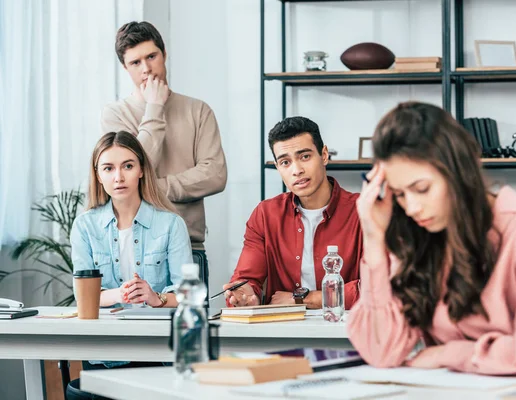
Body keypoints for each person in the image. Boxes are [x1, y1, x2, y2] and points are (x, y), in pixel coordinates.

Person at [349, 102, 516, 378]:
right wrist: (373, 238)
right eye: (400, 194)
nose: (412, 207)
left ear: (457, 172)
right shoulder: (416, 234)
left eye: (422, 188)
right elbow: (381, 352)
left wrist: (446, 354)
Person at [100, 21, 226, 290]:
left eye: (151, 57)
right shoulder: (115, 114)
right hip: (130, 245)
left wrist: (155, 187)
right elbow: (128, 169)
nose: (146, 68)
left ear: (164, 54)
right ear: (125, 67)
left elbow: (215, 174)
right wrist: (154, 108)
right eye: (135, 63)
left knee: (191, 330)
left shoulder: (198, 110)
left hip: (189, 247)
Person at [71, 131, 193, 370]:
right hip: (106, 349)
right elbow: (84, 298)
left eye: (127, 166)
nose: (118, 177)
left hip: (160, 349)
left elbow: (189, 297)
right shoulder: (84, 226)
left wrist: (154, 298)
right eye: (108, 168)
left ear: (141, 170)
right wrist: (121, 294)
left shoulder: (171, 225)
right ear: (98, 175)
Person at [224, 117, 362, 309]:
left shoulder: (363, 211)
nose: (296, 170)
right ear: (278, 167)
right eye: (285, 162)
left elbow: (380, 290)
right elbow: (247, 280)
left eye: (305, 156)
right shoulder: (265, 215)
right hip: (285, 331)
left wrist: (306, 299)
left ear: (324, 155)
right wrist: (245, 295)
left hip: (348, 329)